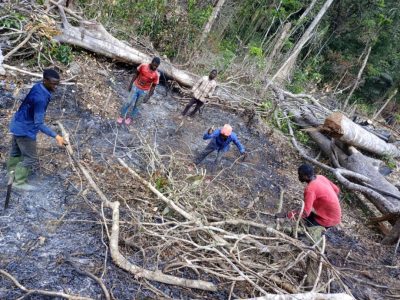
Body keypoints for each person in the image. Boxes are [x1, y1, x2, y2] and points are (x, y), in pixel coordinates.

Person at [7, 69, 67, 190]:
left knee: (15, 151)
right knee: (31, 158)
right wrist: (57, 136)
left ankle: (11, 174)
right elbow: (38, 123)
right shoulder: (41, 98)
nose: (55, 87)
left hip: (17, 123)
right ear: (44, 80)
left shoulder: (38, 86)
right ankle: (19, 182)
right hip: (25, 129)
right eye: (53, 84)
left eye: (57, 84)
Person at [276, 164, 341, 228]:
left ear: (306, 176)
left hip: (328, 220)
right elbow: (337, 190)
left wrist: (287, 215)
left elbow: (305, 212)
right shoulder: (321, 177)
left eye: (300, 175)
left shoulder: (310, 189)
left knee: (304, 232)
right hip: (336, 216)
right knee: (306, 215)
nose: (298, 177)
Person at [118, 57, 160, 125]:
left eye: (156, 66)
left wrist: (148, 97)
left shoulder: (156, 75)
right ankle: (121, 116)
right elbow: (136, 74)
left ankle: (130, 118)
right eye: (154, 65)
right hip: (136, 86)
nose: (155, 67)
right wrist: (131, 84)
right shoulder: (143, 66)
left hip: (144, 91)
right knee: (128, 102)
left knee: (137, 106)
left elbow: (153, 87)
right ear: (151, 62)